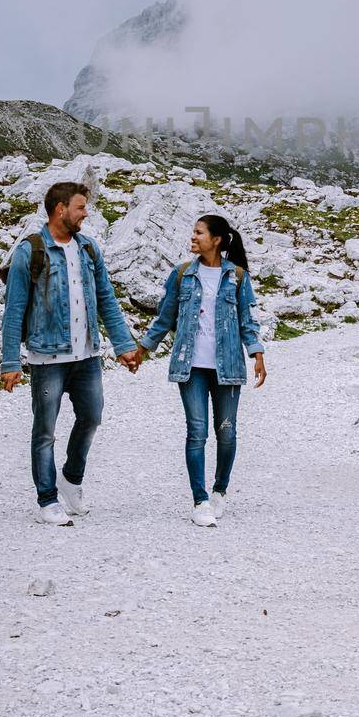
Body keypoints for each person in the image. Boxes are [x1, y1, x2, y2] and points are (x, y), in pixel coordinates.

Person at [1, 180, 141, 526]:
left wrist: (124, 346)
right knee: (45, 431)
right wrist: (10, 361)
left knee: (92, 417)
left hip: (88, 356)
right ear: (60, 209)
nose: (85, 213)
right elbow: (14, 310)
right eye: (80, 207)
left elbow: (106, 300)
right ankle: (47, 500)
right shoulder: (29, 251)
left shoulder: (88, 249)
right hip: (47, 358)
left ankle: (71, 479)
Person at [134, 214, 267, 527]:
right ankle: (200, 499)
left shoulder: (236, 276)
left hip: (228, 367)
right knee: (196, 432)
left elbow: (248, 321)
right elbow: (165, 318)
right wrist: (141, 349)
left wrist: (257, 354)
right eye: (193, 232)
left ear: (216, 239)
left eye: (198, 233)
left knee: (227, 431)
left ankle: (220, 490)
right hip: (190, 366)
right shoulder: (182, 275)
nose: (193, 237)